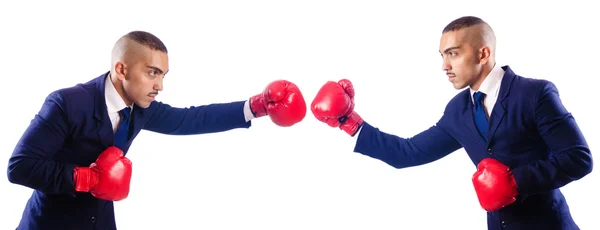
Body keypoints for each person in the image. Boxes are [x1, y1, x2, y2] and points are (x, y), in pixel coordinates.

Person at [310, 16, 592, 230]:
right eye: (443, 55)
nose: (445, 66)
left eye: (453, 53)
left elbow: (578, 158)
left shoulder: (534, 94)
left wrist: (516, 181)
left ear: (483, 54)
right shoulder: (458, 111)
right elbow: (408, 152)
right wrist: (349, 121)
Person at [7, 30, 307, 230]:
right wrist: (87, 178)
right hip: (49, 224)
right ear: (122, 69)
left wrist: (254, 107)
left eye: (163, 75)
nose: (159, 86)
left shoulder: (140, 108)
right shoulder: (67, 103)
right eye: (152, 73)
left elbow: (190, 119)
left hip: (100, 222)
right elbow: (19, 167)